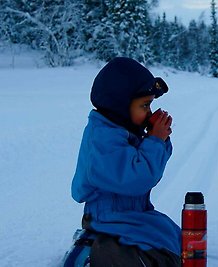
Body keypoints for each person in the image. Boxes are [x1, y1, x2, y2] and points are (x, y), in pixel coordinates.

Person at [70, 57, 181, 266]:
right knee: (154, 253)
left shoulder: (122, 131)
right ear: (120, 104)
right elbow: (136, 178)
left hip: (131, 214)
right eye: (145, 105)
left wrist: (158, 140)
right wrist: (155, 141)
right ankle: (96, 255)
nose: (149, 112)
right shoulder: (103, 138)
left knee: (173, 239)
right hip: (108, 218)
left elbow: (148, 166)